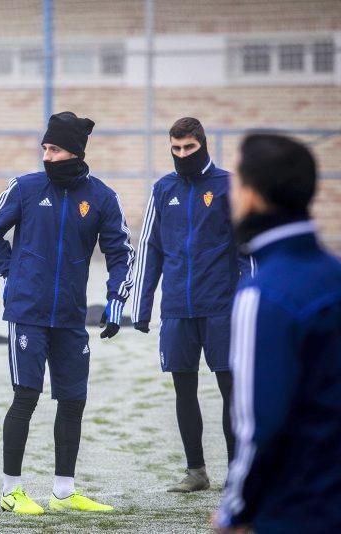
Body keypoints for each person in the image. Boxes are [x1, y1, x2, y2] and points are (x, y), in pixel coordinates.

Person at [0, 112, 134, 515]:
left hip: (70, 317)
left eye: (55, 148)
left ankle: (64, 492)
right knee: (26, 396)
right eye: (45, 148)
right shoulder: (25, 188)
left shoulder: (101, 197)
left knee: (73, 400)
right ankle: (12, 491)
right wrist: (12, 272)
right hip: (27, 313)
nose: (48, 155)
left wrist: (117, 300)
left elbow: (120, 253)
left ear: (75, 152)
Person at [214, 134, 341, 533]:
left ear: (251, 195)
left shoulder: (262, 294)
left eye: (234, 183)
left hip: (292, 511)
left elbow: (258, 425)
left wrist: (234, 512)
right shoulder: (334, 275)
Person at [130, 117, 252, 492]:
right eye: (176, 148)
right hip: (177, 311)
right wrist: (141, 307)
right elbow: (150, 248)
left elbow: (248, 250)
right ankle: (195, 471)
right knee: (184, 390)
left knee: (231, 390)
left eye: (189, 148)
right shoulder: (162, 189)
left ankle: (238, 472)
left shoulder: (229, 186)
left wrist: (248, 303)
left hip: (222, 308)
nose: (182, 154)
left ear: (203, 144)